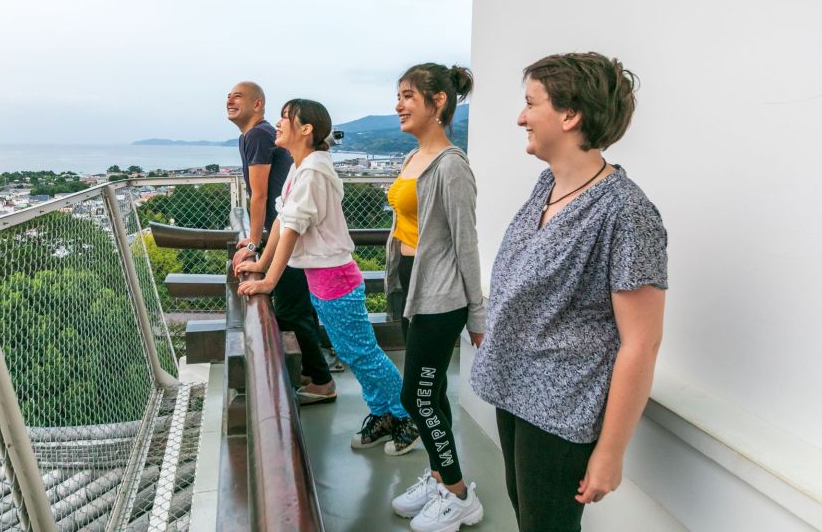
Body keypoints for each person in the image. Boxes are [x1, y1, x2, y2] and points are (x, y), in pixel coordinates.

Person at [470, 52, 668, 532]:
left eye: (530, 103)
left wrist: (610, 451)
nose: (521, 117)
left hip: (561, 411)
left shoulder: (626, 213)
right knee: (526, 517)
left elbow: (641, 342)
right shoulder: (547, 186)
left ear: (569, 114)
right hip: (514, 394)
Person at [237, 98, 420, 455]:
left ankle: (405, 415)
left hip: (335, 279)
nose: (277, 124)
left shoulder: (314, 171)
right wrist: (260, 265)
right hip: (324, 280)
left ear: (306, 129)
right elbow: (281, 219)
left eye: (285, 118)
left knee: (363, 353)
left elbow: (291, 228)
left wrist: (268, 280)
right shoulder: (300, 165)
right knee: (354, 353)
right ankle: (383, 413)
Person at [385, 63, 486, 532]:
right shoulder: (414, 157)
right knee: (433, 394)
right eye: (398, 95)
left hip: (441, 298)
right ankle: (442, 477)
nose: (400, 104)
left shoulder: (452, 166)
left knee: (417, 396)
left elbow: (467, 243)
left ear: (438, 101)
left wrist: (477, 314)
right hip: (412, 286)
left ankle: (460, 495)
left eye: (409, 95)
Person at [226, 82, 336, 404]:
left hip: (294, 243)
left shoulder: (258, 135)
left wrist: (253, 243)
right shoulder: (268, 145)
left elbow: (260, 196)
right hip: (287, 237)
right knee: (296, 309)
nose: (230, 100)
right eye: (228, 96)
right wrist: (259, 256)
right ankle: (313, 373)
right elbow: (279, 209)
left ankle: (321, 378)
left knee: (293, 309)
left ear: (257, 103)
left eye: (238, 96)